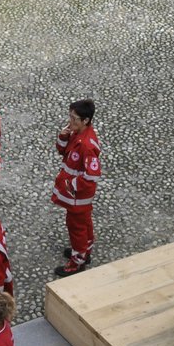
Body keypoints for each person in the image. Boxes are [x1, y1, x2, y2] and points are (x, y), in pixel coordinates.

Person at [53, 99, 103, 277]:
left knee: (76, 227)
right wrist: (63, 136)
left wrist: (70, 185)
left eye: (74, 118)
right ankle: (85, 251)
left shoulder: (87, 145)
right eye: (70, 116)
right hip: (76, 195)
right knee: (84, 222)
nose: (70, 121)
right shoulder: (76, 133)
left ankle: (77, 261)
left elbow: (92, 176)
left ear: (86, 121)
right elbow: (63, 151)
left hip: (77, 196)